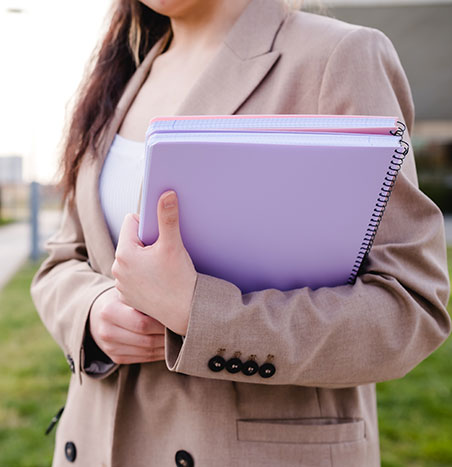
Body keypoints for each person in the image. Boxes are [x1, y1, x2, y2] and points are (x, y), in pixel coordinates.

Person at [30, 0, 451, 465]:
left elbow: (409, 307)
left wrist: (203, 315)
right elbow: (61, 259)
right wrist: (92, 313)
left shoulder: (338, 57)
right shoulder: (121, 77)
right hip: (96, 445)